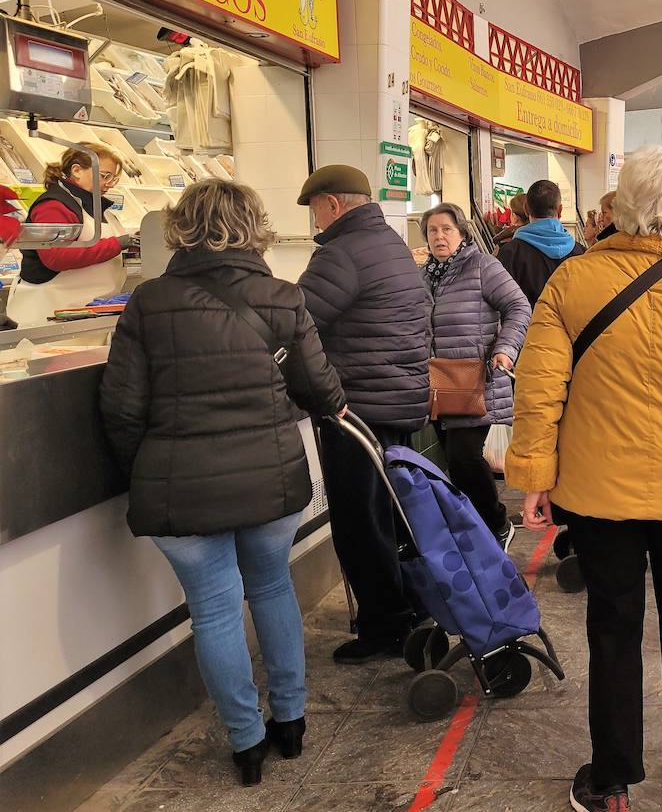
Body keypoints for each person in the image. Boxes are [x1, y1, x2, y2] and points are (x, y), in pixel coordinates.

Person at [507, 146, 662, 811]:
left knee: (613, 622)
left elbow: (539, 390)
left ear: (620, 207)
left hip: (597, 491)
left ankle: (614, 779)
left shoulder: (570, 283)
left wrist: (533, 476)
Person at [100, 180, 345, 785]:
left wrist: (150, 468)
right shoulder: (282, 297)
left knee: (212, 611)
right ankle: (290, 719)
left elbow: (122, 409)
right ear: (254, 224)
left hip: (179, 487)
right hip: (269, 481)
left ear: (181, 227)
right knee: (272, 591)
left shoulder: (148, 302)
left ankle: (245, 743)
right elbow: (322, 392)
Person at [295, 165, 432, 664]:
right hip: (394, 401)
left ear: (332, 203)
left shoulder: (341, 253)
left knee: (361, 520)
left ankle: (385, 626)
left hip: (358, 408)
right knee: (394, 515)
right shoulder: (390, 243)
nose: (314, 219)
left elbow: (294, 320)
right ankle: (412, 608)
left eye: (314, 207)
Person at [422, 202, 531, 547]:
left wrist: (505, 349)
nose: (439, 237)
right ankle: (481, 524)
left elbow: (519, 307)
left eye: (446, 230)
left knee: (464, 457)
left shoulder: (483, 266)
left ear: (462, 234)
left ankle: (497, 523)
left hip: (478, 379)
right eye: (433, 231)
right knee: (457, 461)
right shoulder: (425, 276)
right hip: (440, 382)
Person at [6, 143, 137, 328]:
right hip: (47, 315)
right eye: (104, 176)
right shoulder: (54, 206)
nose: (109, 183)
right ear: (76, 170)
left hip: (87, 313)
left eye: (113, 179)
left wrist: (133, 245)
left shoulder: (101, 209)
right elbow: (56, 257)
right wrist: (117, 244)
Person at [498, 179, 585, 307]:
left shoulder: (510, 253)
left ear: (526, 209)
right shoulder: (581, 252)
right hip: (573, 326)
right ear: (560, 210)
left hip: (529, 326)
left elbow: (502, 302)